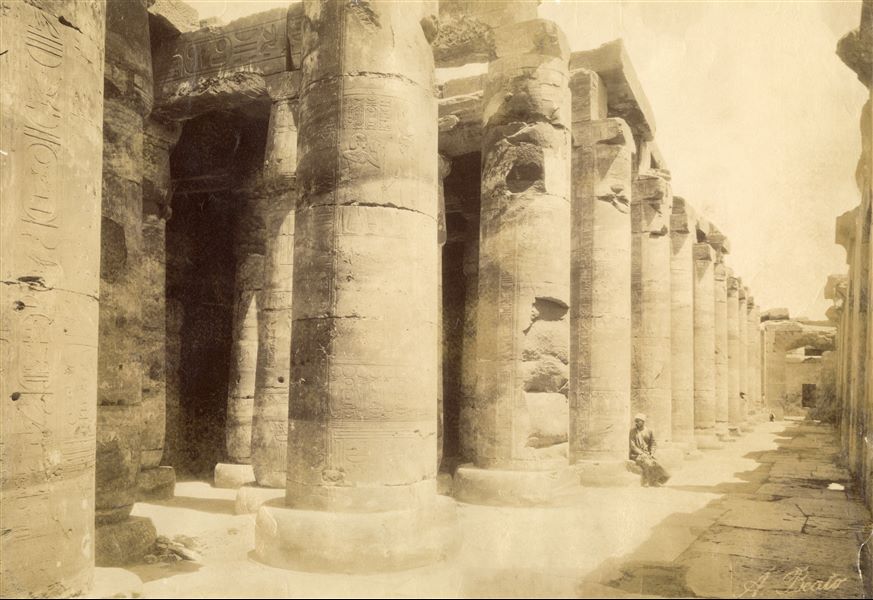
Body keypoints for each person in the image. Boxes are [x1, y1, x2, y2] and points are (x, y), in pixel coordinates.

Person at [629, 414, 670, 487]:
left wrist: (652, 453)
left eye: (639, 421)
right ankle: (647, 482)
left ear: (643, 422)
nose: (637, 423)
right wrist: (641, 453)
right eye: (636, 421)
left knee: (655, 463)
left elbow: (653, 443)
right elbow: (632, 446)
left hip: (647, 453)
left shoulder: (649, 431)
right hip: (635, 454)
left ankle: (657, 481)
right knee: (647, 463)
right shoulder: (632, 431)